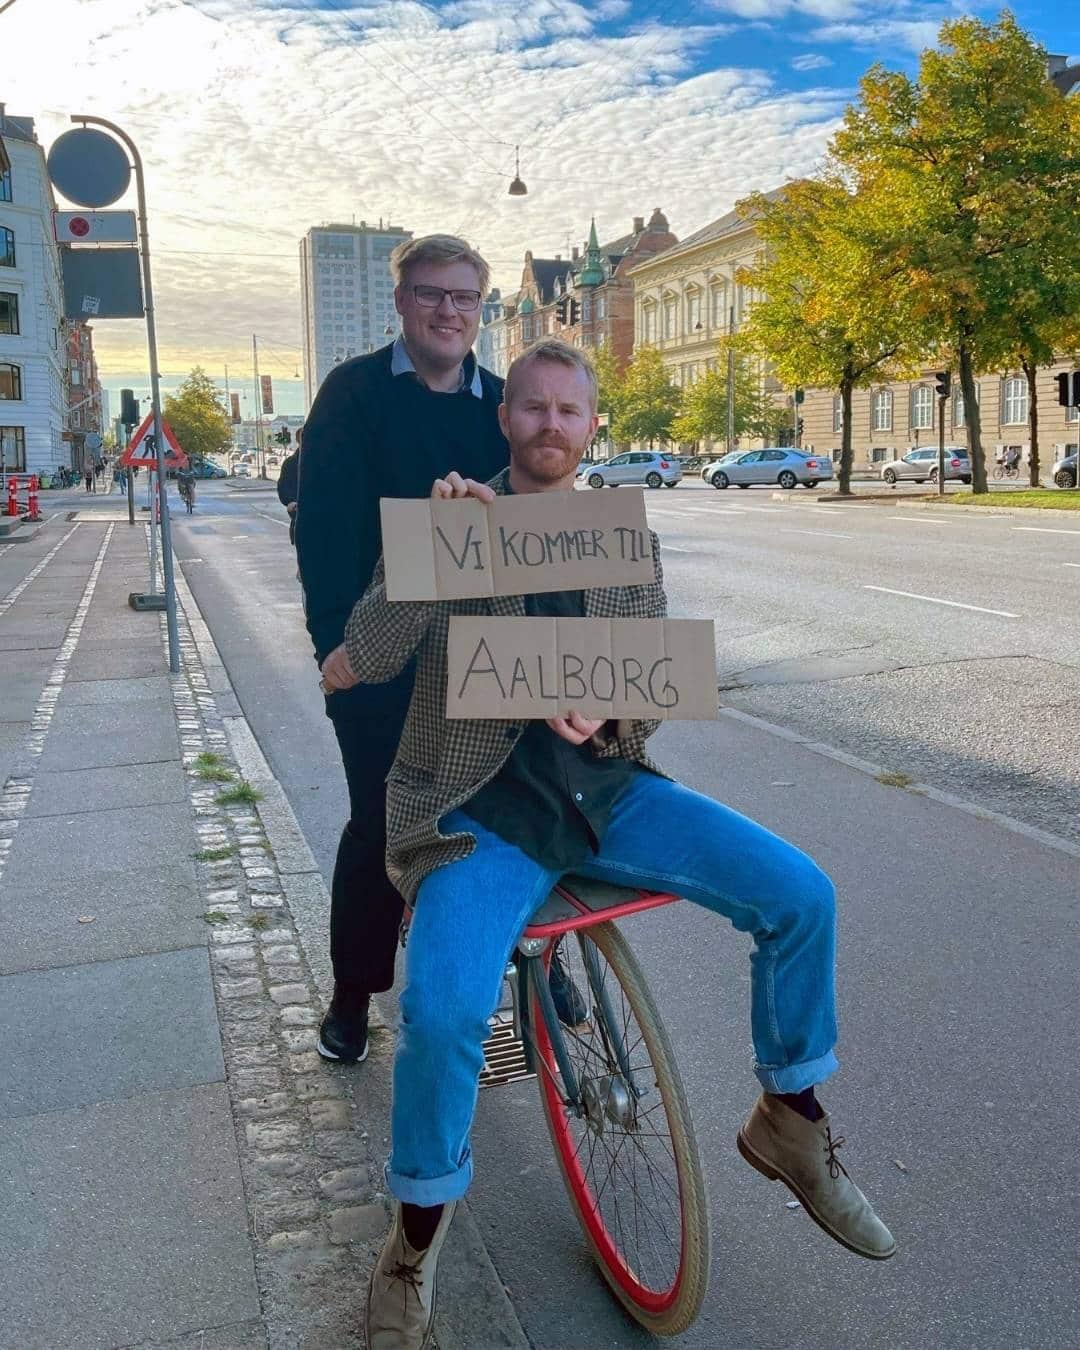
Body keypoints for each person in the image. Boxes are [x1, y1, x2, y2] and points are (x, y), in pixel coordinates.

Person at [342, 339, 896, 1348]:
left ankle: (791, 1118)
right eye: (532, 409)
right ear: (503, 419)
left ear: (592, 426)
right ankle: (414, 1239)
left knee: (802, 893)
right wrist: (428, 550)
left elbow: (645, 687)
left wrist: (605, 713)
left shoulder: (618, 538)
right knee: (442, 1008)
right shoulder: (453, 520)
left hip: (609, 795)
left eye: (569, 412)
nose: (550, 427)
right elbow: (372, 651)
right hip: (480, 813)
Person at [296, 235, 510, 1066]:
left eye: (464, 298)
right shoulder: (353, 393)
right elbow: (323, 530)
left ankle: (529, 957)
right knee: (383, 829)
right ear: (402, 302)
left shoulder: (500, 400)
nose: (448, 311)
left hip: (480, 655)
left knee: (501, 816)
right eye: (431, 294)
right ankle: (355, 993)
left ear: (480, 308)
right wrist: (336, 650)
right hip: (378, 656)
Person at [276, 426, 302, 545]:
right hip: (301, 519)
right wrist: (290, 502)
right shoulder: (290, 463)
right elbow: (283, 487)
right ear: (299, 440)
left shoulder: (323, 460)